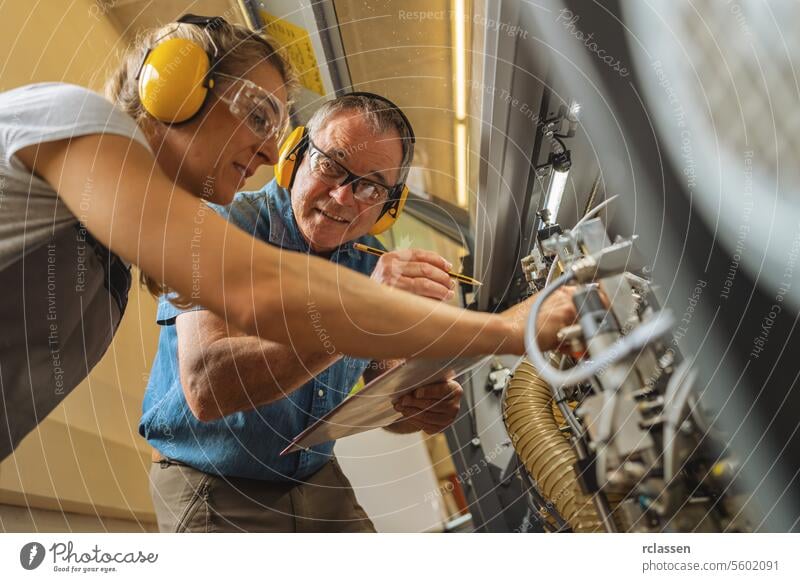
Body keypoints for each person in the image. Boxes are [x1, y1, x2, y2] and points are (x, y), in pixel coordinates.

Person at [0, 14, 576, 461]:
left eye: (372, 188)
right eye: (256, 115)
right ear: (173, 84)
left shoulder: (111, 269)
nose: (268, 150)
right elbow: (254, 300)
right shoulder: (71, 116)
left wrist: (411, 395)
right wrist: (510, 328)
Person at [143, 93, 472, 532]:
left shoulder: (369, 263)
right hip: (214, 483)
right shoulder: (216, 226)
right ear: (294, 156)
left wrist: (416, 405)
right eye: (331, 165)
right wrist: (356, 315)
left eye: (370, 187)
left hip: (317, 478)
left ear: (388, 207)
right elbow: (208, 387)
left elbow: (382, 383)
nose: (341, 196)